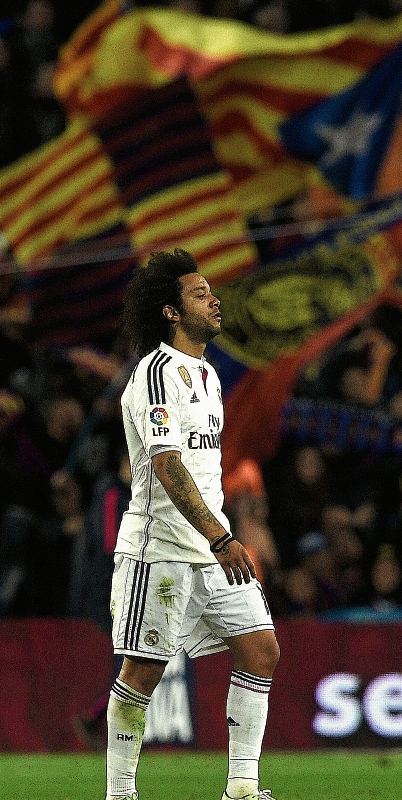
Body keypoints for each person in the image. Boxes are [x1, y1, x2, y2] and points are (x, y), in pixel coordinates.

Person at [106, 250, 278, 800]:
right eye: (200, 295)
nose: (214, 300)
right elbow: (165, 464)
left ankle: (243, 787)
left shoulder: (206, 375)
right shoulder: (157, 373)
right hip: (160, 550)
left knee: (261, 649)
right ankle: (120, 792)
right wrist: (222, 536)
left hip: (209, 547)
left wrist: (219, 535)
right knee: (142, 674)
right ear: (172, 313)